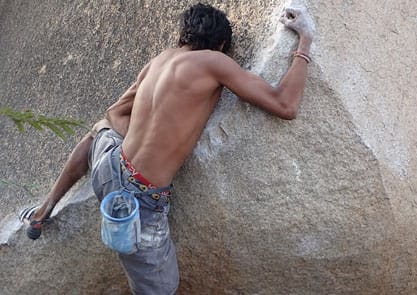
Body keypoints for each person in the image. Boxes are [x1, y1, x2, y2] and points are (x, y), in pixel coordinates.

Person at [19, 3, 314, 294]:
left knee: (100, 130)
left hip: (108, 167)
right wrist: (305, 39)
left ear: (183, 36)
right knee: (162, 290)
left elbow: (115, 114)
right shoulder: (214, 61)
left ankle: (44, 209)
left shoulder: (160, 60)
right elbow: (285, 105)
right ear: (220, 44)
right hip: (138, 202)